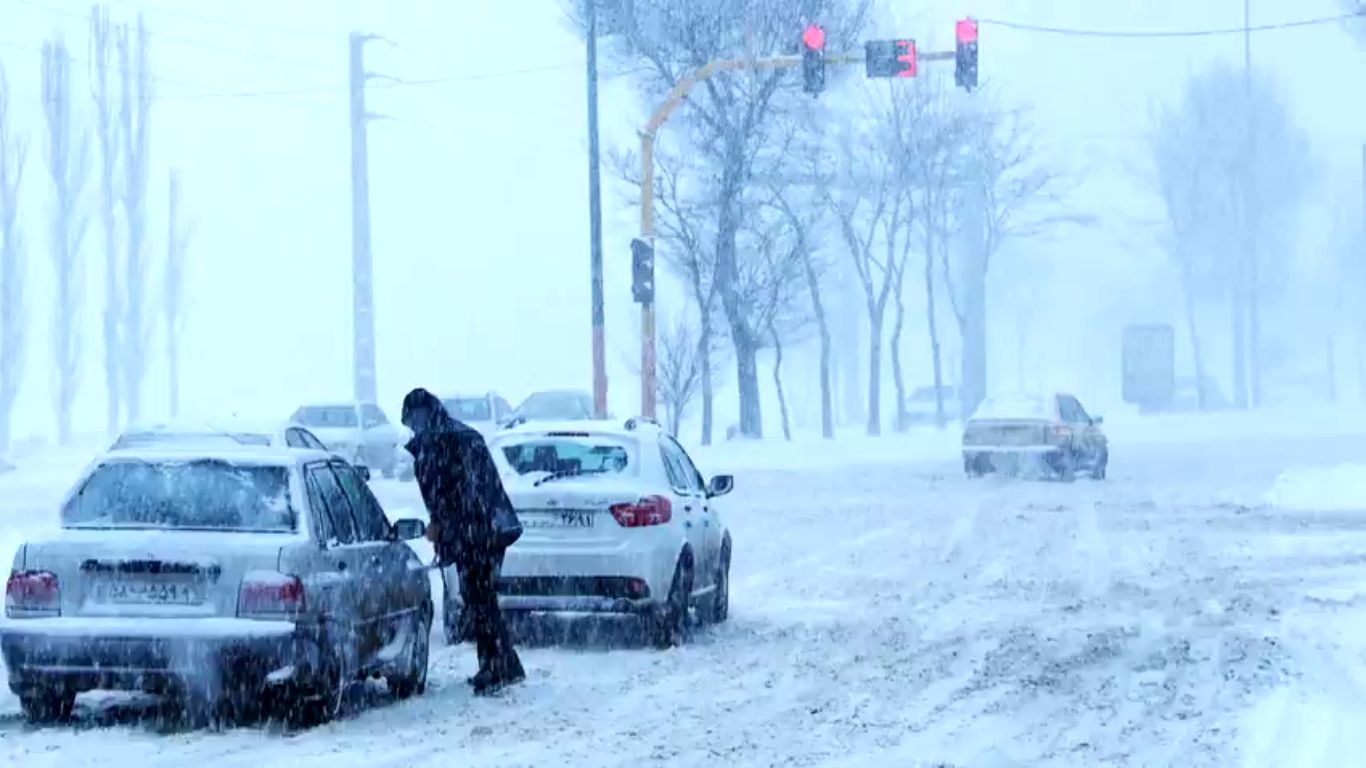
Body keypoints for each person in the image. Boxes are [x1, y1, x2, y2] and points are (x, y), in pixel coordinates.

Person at [401, 387, 525, 694]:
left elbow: (466, 494)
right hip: (481, 530)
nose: (413, 427)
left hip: (481, 533)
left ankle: (498, 667)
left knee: (480, 601)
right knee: (481, 601)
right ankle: (502, 664)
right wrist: (442, 525)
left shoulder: (451, 442)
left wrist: (444, 527)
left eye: (414, 420)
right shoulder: (446, 439)